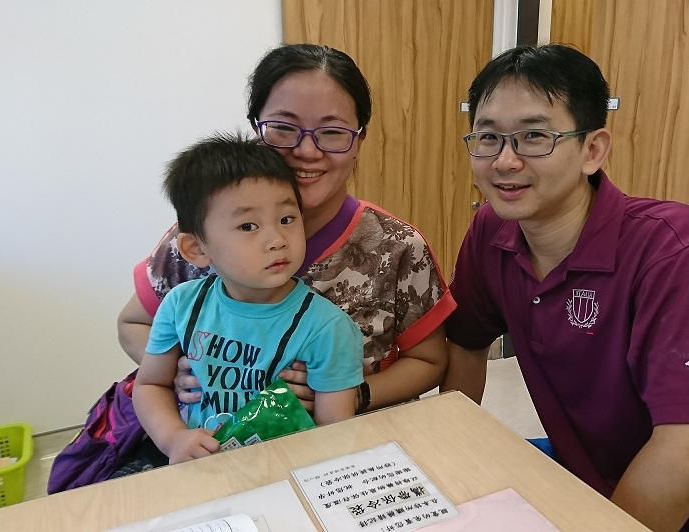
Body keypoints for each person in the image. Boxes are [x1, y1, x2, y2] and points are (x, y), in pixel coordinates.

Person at [440, 44, 689, 532]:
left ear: (592, 151)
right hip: (588, 484)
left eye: (534, 136)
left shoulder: (672, 246)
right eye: (488, 137)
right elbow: (466, 343)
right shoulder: (493, 230)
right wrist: (451, 464)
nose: (505, 161)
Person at [118, 44, 454, 415]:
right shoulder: (205, 237)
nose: (307, 151)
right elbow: (133, 323)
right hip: (210, 438)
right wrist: (178, 369)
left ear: (359, 140)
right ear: (256, 129)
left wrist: (353, 393)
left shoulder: (397, 245)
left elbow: (428, 361)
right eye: (283, 127)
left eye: (332, 131)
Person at [134, 133, 364, 465]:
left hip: (287, 471)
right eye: (248, 226)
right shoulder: (181, 305)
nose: (277, 239)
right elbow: (150, 385)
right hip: (197, 469)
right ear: (196, 248)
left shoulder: (327, 328)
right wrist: (173, 440)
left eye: (286, 219)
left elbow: (334, 435)